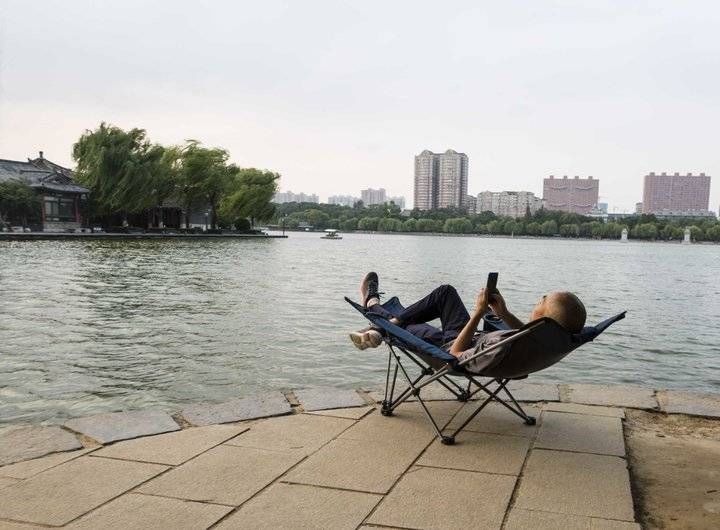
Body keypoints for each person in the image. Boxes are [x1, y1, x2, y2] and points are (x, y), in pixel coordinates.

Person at [349, 272, 586, 370]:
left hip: (452, 349)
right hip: (473, 342)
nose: (538, 300)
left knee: (407, 328)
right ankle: (380, 327)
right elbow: (527, 332)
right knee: (446, 293)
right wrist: (502, 313)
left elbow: (455, 353)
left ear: (542, 317)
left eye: (542, 301)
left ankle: (372, 306)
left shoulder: (502, 343)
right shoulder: (544, 339)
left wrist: (478, 313)